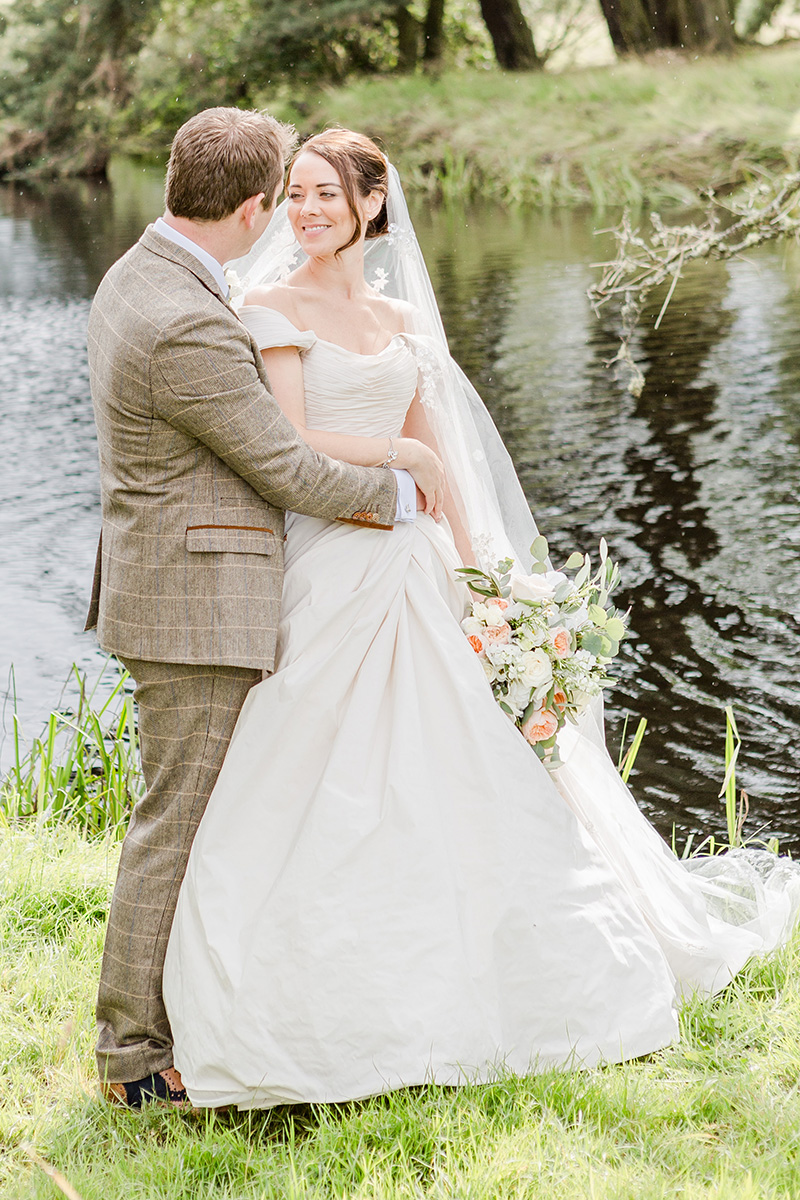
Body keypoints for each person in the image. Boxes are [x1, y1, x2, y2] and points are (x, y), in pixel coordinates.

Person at [162, 129, 800, 1110]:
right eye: (294, 193)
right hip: (333, 562)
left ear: (372, 205)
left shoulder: (398, 317)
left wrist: (481, 576)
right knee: (320, 770)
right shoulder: (267, 308)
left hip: (417, 557)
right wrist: (400, 464)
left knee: (469, 767)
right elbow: (289, 443)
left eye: (326, 194)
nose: (306, 210)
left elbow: (438, 452)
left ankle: (513, 982)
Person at [85, 109, 447, 1109]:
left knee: (200, 819)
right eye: (281, 198)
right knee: (177, 825)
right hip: (195, 604)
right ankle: (131, 1058)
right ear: (251, 206)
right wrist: (404, 491)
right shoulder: (191, 319)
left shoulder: (141, 275)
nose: (289, 216)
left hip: (175, 582)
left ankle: (189, 1022)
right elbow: (288, 465)